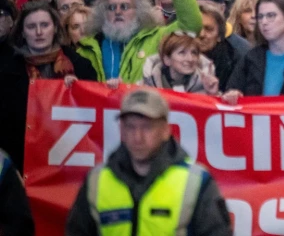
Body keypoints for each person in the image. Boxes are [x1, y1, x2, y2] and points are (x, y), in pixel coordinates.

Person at [65, 88, 232, 235]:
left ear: (166, 130)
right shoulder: (97, 180)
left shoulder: (196, 181)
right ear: (121, 131)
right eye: (131, 127)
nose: (138, 137)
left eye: (147, 127)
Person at [0, 1, 98, 171]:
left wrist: (80, 92)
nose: (39, 32)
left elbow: (95, 114)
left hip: (71, 164)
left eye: (44, 25)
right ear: (22, 32)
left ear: (55, 29)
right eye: (31, 26)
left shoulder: (81, 66)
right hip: (22, 165)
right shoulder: (5, 71)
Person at [76, 0, 202, 84]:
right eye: (112, 7)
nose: (118, 12)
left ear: (138, 11)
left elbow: (191, 25)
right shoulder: (87, 49)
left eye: (125, 6)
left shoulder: (156, 39)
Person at [142, 31, 219, 95]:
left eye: (194, 53)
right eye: (182, 53)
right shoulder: (145, 86)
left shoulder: (205, 86)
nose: (190, 59)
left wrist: (212, 93)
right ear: (167, 60)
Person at [195, 4, 242, 91]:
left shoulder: (235, 61)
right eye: (197, 28)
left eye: (208, 29)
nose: (201, 35)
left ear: (220, 36)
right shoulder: (176, 57)